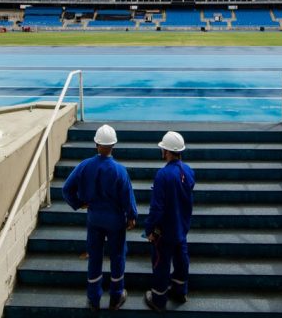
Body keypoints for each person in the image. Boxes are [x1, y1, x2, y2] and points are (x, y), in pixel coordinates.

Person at [62, 124, 138, 311]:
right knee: (117, 256)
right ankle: (116, 296)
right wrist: (131, 216)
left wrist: (79, 203)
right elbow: (127, 197)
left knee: (95, 256)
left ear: (96, 143)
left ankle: (94, 298)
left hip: (94, 218)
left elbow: (66, 189)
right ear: (114, 145)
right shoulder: (119, 170)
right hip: (115, 220)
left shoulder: (84, 166)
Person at [144, 131, 195, 312]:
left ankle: (158, 299)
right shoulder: (188, 171)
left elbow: (157, 208)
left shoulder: (162, 175)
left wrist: (149, 228)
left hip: (164, 231)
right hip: (182, 227)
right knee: (182, 260)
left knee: (161, 263)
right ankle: (180, 291)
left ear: (166, 151)